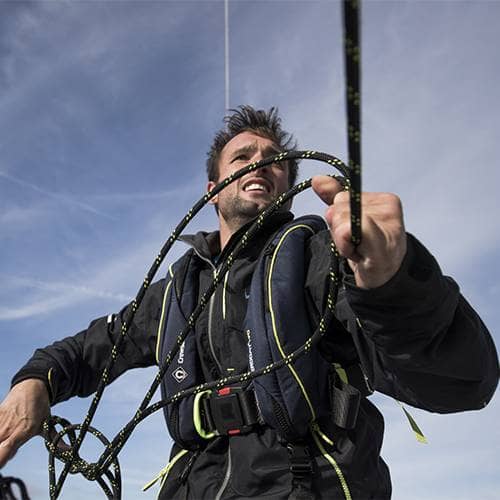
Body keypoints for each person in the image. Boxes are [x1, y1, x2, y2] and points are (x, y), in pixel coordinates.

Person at [0, 106, 497, 499]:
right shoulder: (178, 287)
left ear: (287, 186)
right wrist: (35, 380)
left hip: (308, 485)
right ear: (212, 190)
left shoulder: (323, 257)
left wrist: (394, 282)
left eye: (276, 160)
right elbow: (93, 346)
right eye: (243, 157)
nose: (262, 163)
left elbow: (464, 383)